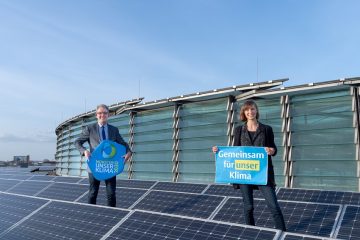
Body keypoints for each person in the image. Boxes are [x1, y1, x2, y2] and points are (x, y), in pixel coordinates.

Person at [212, 100, 286, 231]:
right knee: (248, 206)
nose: (250, 112)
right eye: (247, 110)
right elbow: (234, 151)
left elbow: (273, 148)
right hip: (244, 174)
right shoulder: (239, 130)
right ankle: (250, 232)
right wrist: (219, 151)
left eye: (252, 109)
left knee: (274, 206)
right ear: (244, 113)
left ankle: (283, 233)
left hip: (262, 173)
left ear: (256, 111)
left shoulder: (266, 129)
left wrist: (272, 150)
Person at [75, 104, 132, 207]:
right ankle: (91, 214)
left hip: (109, 166)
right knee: (93, 192)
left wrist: (128, 152)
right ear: (96, 115)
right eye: (100, 113)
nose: (102, 115)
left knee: (111, 193)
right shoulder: (90, 129)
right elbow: (77, 142)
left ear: (108, 115)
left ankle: (112, 215)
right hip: (94, 166)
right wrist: (84, 151)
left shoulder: (114, 130)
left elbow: (122, 143)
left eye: (105, 113)